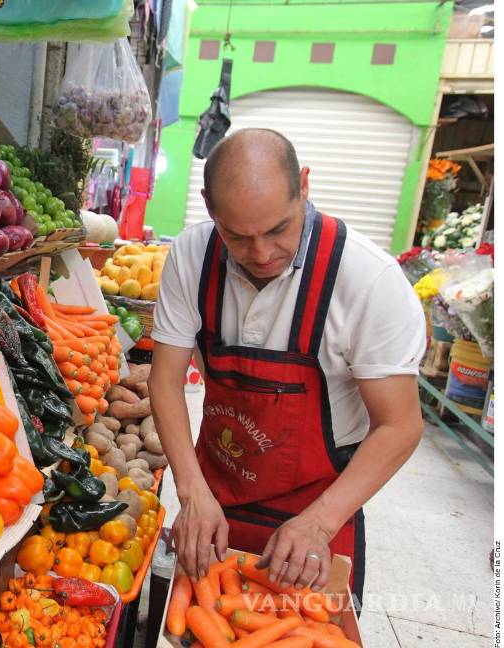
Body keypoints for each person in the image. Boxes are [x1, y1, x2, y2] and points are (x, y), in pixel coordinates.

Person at [148, 128, 426, 602]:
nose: (261, 254)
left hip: (321, 506)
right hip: (215, 496)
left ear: (304, 185)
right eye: (237, 236)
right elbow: (165, 381)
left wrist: (319, 521)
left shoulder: (367, 279)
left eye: (278, 229)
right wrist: (191, 492)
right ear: (209, 208)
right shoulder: (191, 257)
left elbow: (400, 425)